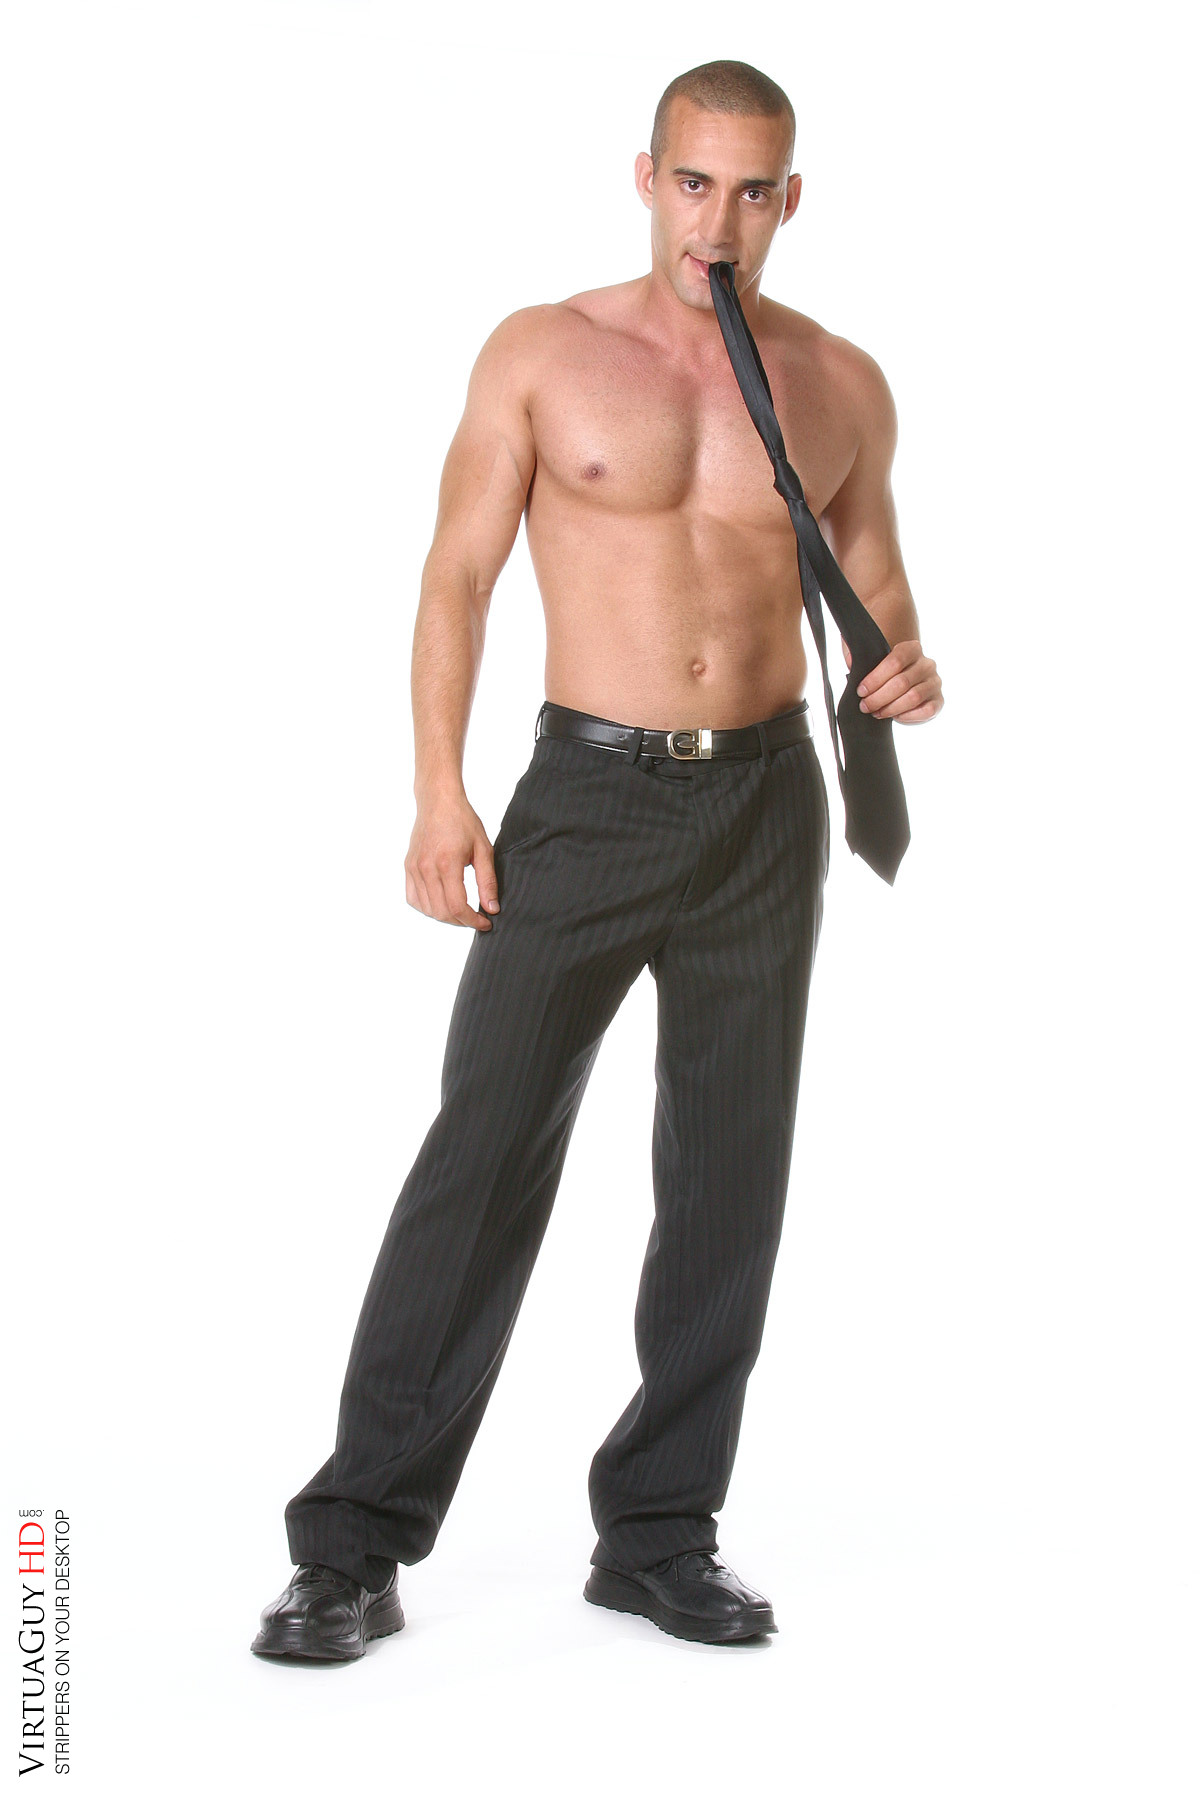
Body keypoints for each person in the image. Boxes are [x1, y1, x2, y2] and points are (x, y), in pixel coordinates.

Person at [251, 57, 944, 1662]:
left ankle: (659, 1534)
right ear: (645, 178)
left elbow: (879, 587)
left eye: (752, 191)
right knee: (484, 1156)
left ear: (791, 198)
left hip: (767, 803)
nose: (720, 221)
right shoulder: (544, 353)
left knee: (728, 1178)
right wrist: (439, 793)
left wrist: (904, 664)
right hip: (587, 796)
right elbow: (456, 575)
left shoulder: (840, 382)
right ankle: (353, 1545)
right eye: (694, 183)